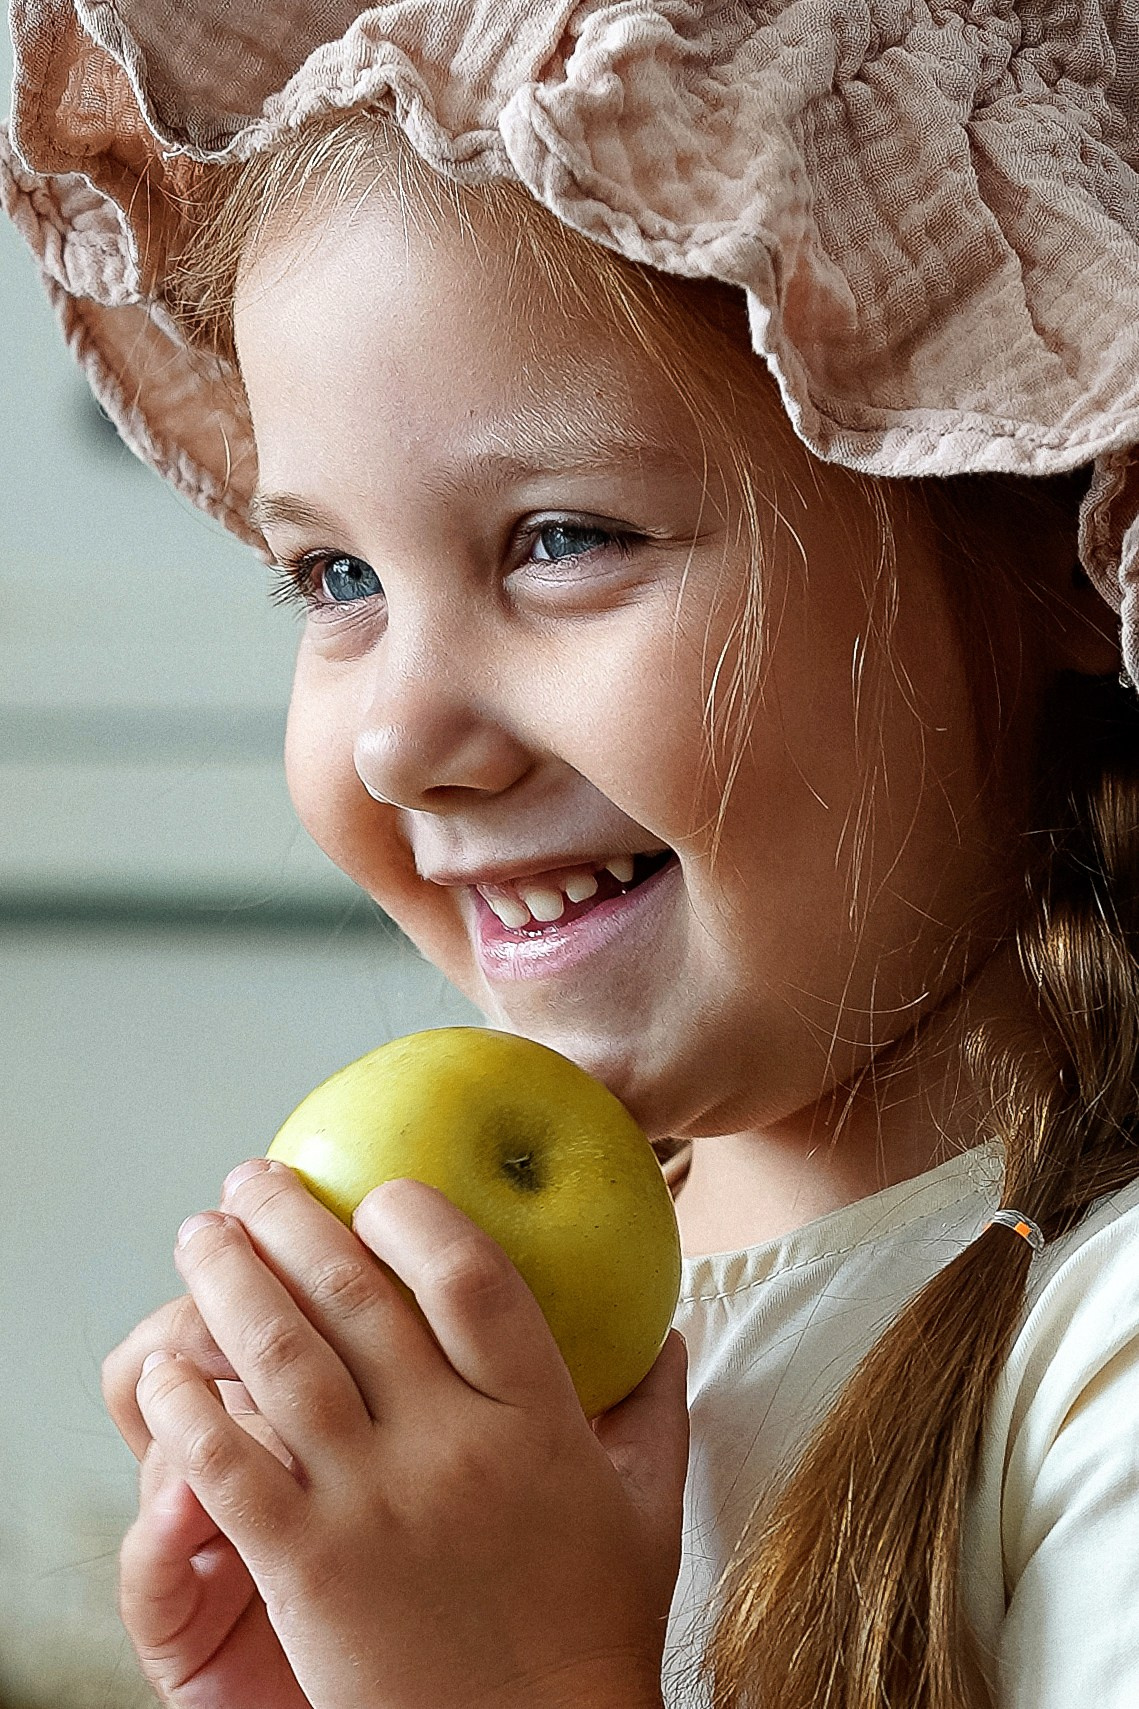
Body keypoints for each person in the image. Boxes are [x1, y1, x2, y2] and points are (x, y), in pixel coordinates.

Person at [4, 5, 1139, 1707]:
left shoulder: (1099, 1363)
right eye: (334, 581)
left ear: (1042, 528)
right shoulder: (510, 1349)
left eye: (560, 540)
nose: (396, 739)